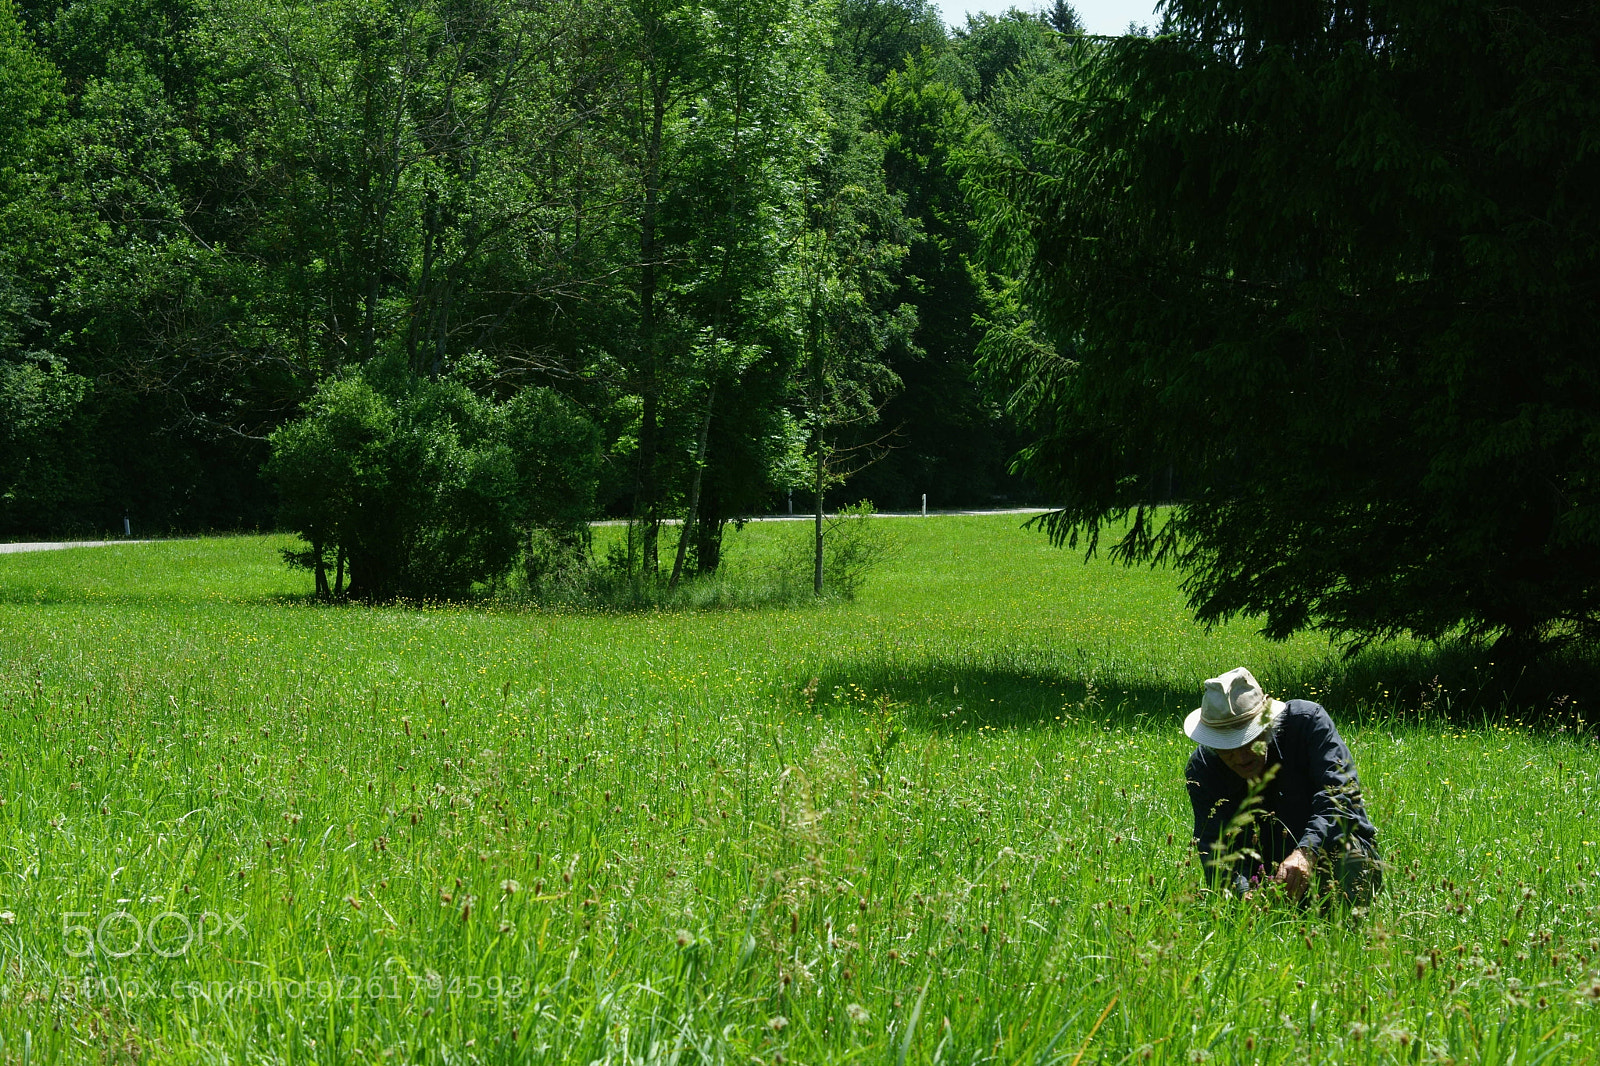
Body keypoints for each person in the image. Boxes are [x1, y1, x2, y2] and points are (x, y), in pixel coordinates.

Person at [1183, 667, 1382, 906]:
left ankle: (1344, 932)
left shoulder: (1308, 723)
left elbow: (1340, 798)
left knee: (1348, 855)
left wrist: (1306, 853)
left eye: (1249, 741)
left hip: (1325, 854)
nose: (1241, 757)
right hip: (1262, 874)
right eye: (1227, 749)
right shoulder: (1203, 769)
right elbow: (1215, 845)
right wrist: (1244, 894)